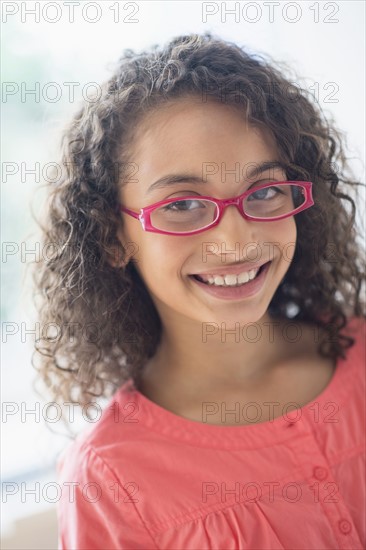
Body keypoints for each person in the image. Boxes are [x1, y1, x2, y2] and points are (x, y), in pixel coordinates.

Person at [32, 33, 366, 549]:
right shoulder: (109, 479)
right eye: (182, 205)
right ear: (112, 235)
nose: (235, 240)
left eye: (266, 190)